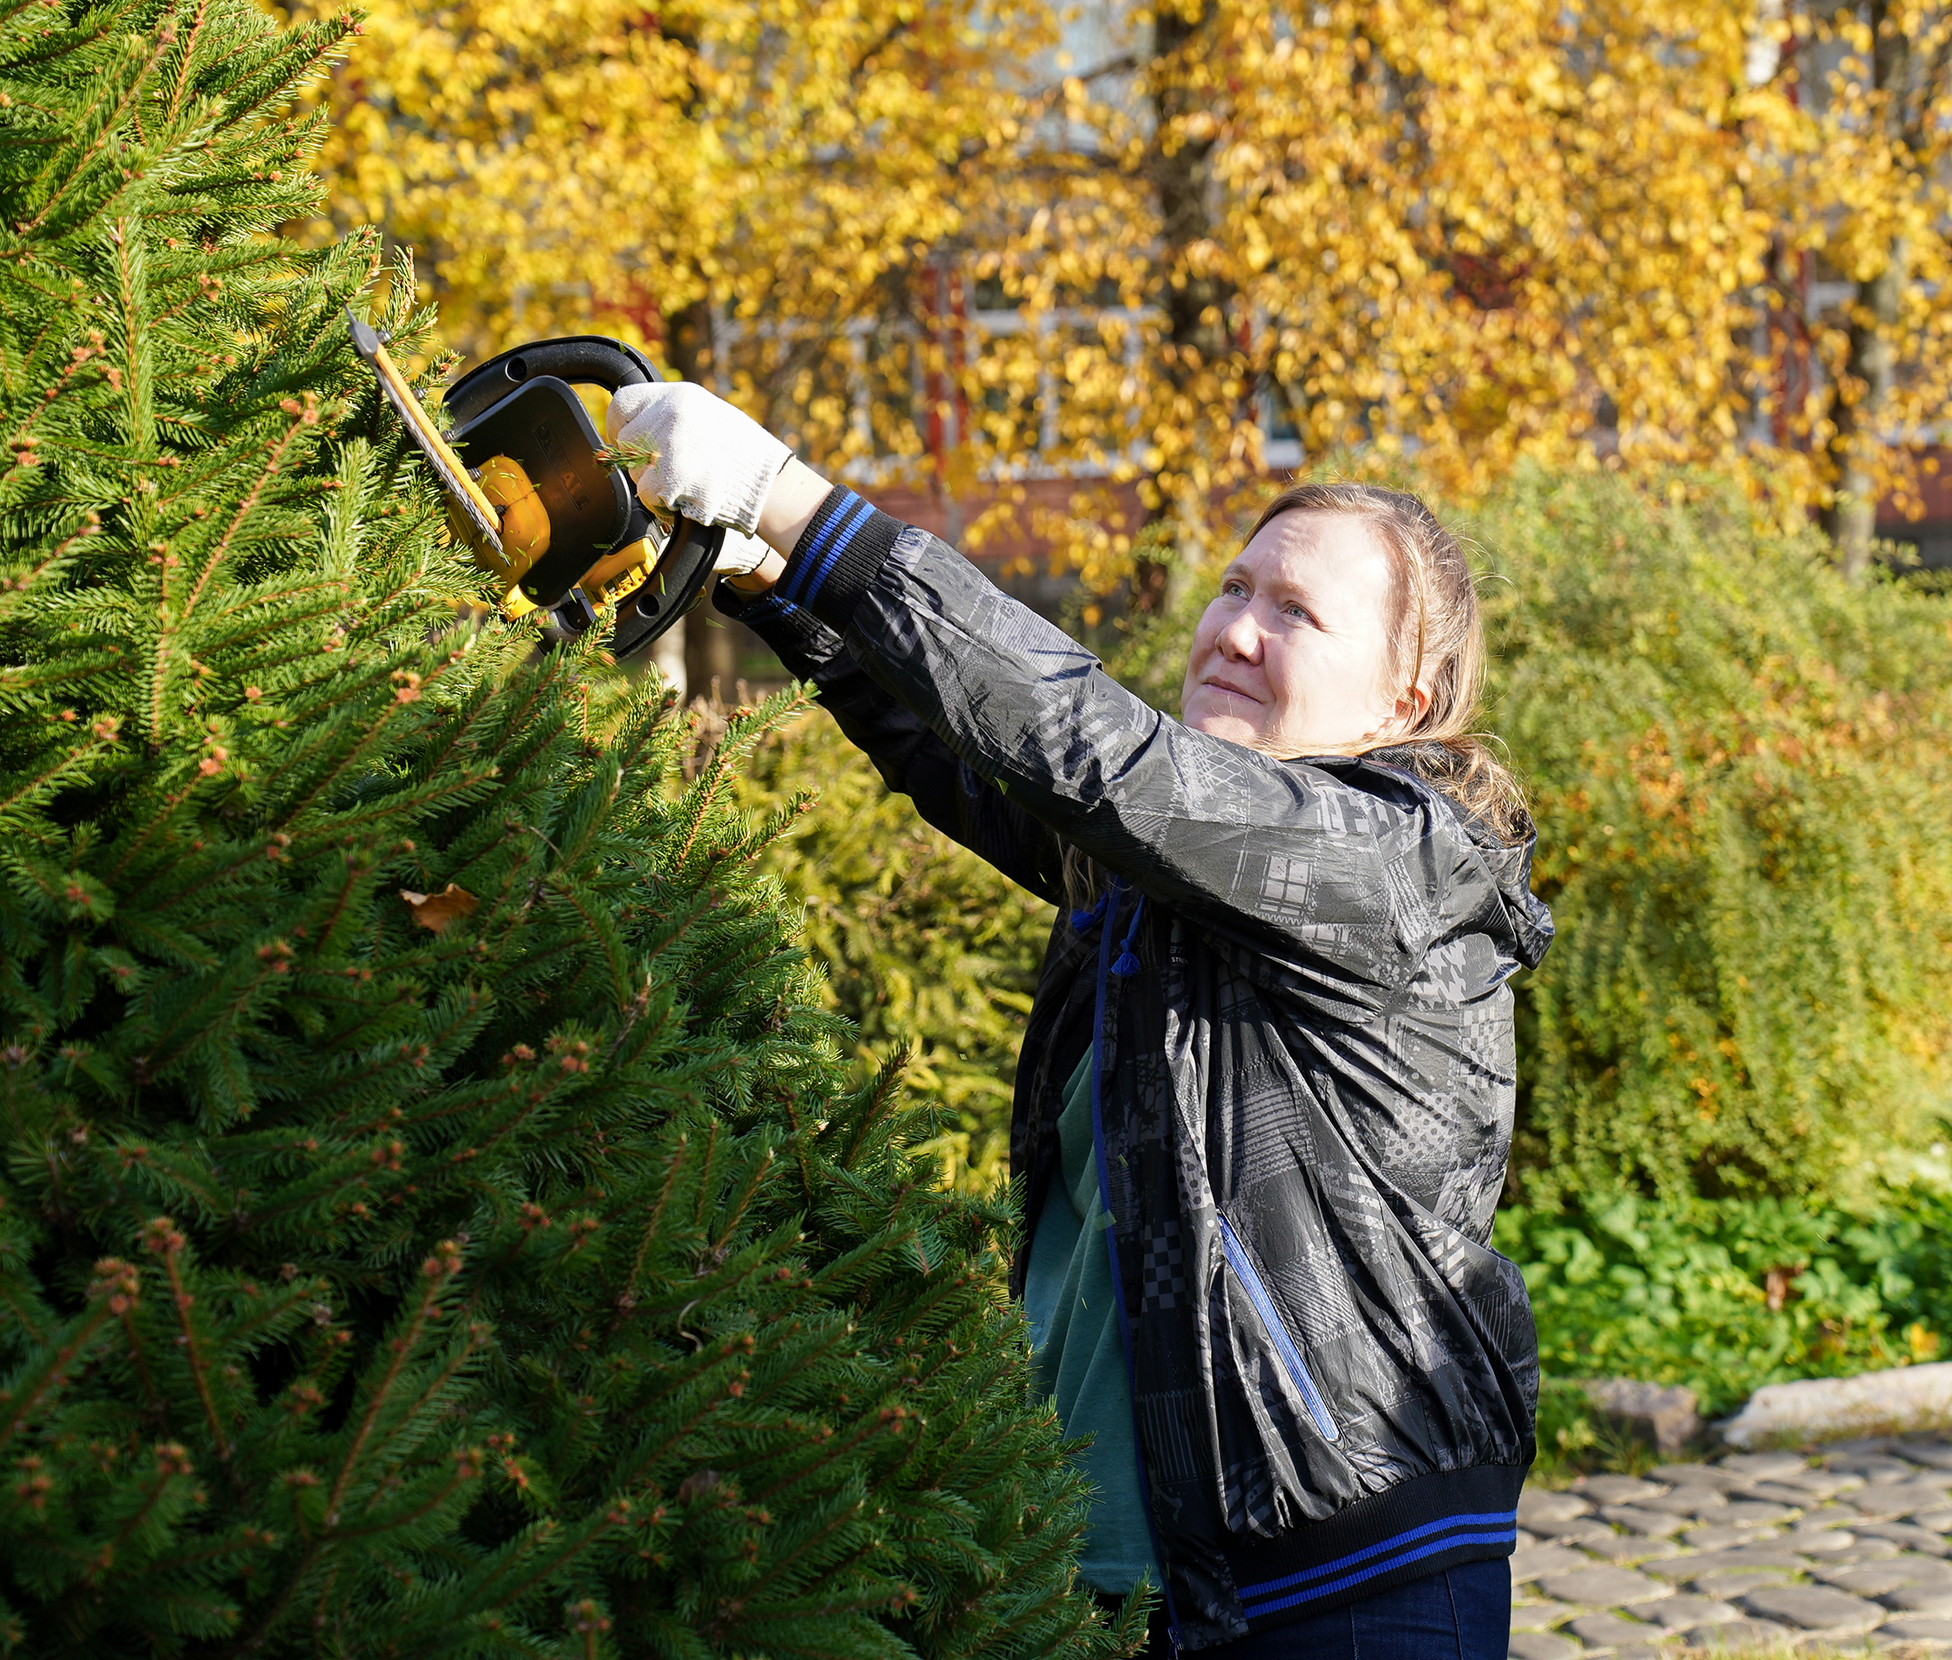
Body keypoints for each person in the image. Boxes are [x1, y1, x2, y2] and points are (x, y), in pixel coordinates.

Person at [603, 382, 1554, 1657]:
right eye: (1233, 588)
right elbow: (981, 760)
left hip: (1347, 1572)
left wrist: (799, 499)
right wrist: (776, 581)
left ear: (1404, 703)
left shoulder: (1400, 866)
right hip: (1112, 1573)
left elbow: (1101, 753)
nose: (1238, 629)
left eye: (1297, 611)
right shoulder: (1172, 874)